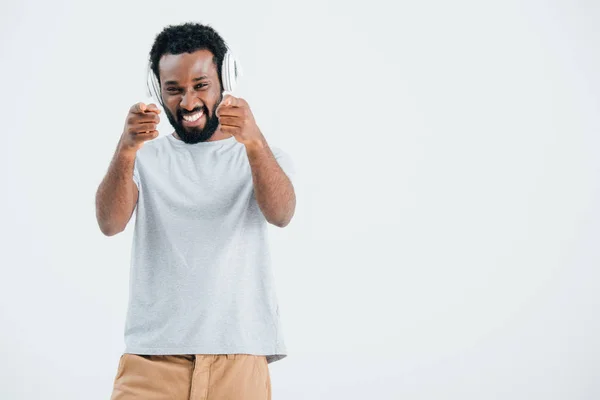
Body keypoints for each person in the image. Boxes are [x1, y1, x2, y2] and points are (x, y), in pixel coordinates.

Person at [95, 22, 296, 400]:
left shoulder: (264, 157)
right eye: (174, 89)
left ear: (226, 78)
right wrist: (125, 148)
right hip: (151, 360)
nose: (188, 103)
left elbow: (282, 213)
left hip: (239, 357)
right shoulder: (143, 156)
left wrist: (252, 142)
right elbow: (109, 223)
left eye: (200, 86)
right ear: (157, 89)